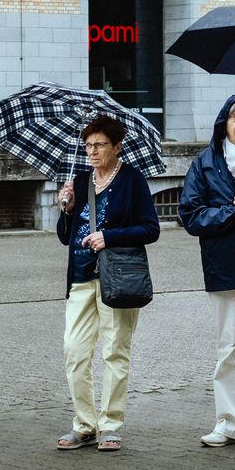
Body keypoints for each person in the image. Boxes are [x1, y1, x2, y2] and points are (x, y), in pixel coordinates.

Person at [54, 114, 160, 452]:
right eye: (88, 145)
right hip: (82, 278)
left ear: (117, 146)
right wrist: (67, 209)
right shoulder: (81, 180)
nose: (93, 151)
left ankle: (110, 425)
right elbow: (65, 237)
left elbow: (150, 229)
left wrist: (109, 236)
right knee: (74, 351)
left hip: (118, 279)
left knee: (115, 352)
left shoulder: (133, 181)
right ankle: (84, 424)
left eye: (99, 145)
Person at [178, 93, 235, 447]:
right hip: (223, 264)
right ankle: (230, 423)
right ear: (224, 123)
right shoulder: (205, 162)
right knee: (227, 347)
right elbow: (190, 215)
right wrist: (234, 213)